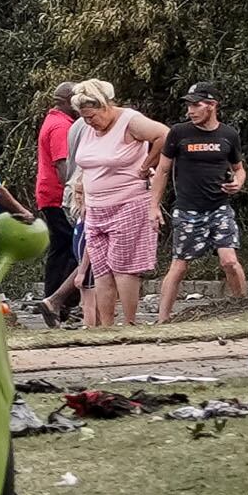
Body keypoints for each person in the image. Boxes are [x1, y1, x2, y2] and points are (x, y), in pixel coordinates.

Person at [62, 78, 168, 328]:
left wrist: (146, 165)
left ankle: (129, 322)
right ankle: (106, 326)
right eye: (84, 117)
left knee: (124, 265)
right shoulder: (86, 128)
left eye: (92, 116)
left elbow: (164, 135)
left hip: (128, 202)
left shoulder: (129, 121)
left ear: (106, 105)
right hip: (96, 207)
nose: (90, 122)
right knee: (101, 268)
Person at [155, 82, 248, 323]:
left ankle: (244, 311)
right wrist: (153, 206)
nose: (190, 110)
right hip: (187, 210)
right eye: (188, 105)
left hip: (219, 207)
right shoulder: (179, 132)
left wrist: (238, 183)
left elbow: (239, 169)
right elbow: (163, 171)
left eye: (196, 105)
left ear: (212, 105)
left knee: (229, 261)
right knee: (180, 265)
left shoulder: (228, 134)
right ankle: (162, 319)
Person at [32, 84, 80, 323]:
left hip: (48, 194)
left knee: (60, 249)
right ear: (69, 101)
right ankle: (65, 300)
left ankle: (54, 302)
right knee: (76, 247)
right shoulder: (61, 126)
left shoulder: (53, 121)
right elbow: (63, 167)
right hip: (58, 195)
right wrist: (76, 193)